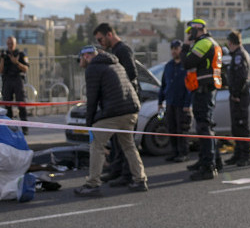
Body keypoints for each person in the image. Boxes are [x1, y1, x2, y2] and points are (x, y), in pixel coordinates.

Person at [74, 46, 147, 195]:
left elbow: (92, 98)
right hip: (131, 109)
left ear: (86, 56)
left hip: (115, 112)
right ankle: (140, 179)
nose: (79, 62)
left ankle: (92, 184)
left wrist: (89, 122)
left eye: (79, 59)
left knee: (97, 145)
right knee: (128, 145)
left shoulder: (93, 68)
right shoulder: (115, 63)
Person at [93, 23, 139, 185]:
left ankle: (127, 175)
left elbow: (132, 73)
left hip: (126, 103)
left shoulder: (123, 50)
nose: (100, 43)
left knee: (126, 142)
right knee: (118, 142)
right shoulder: (114, 51)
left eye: (100, 39)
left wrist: (117, 85)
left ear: (109, 35)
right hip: (118, 104)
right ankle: (116, 171)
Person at [182, 19, 223, 181]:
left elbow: (187, 62)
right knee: (206, 126)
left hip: (204, 90)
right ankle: (213, 161)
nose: (188, 35)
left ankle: (208, 167)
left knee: (204, 127)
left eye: (190, 32)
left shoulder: (204, 43)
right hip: (206, 89)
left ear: (197, 29)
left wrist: (186, 46)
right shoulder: (209, 42)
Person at [158, 39, 194, 162]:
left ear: (181, 50)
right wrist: (160, 102)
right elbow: (164, 85)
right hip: (170, 102)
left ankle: (183, 153)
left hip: (182, 104)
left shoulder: (186, 65)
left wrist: (187, 104)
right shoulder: (168, 66)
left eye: (176, 49)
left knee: (182, 129)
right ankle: (174, 152)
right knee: (171, 128)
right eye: (172, 49)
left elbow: (190, 87)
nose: (174, 51)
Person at [223, 31, 250, 167]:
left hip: (240, 97)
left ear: (231, 42)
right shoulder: (237, 55)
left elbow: (242, 78)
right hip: (237, 96)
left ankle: (245, 156)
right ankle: (238, 154)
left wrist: (235, 94)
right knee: (236, 127)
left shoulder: (239, 55)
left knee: (241, 127)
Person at [0, 36, 30, 133]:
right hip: (7, 80)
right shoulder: (3, 55)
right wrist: (2, 59)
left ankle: (25, 128)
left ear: (15, 44)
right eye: (8, 44)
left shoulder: (21, 54)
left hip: (18, 79)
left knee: (21, 104)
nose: (10, 45)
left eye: (12, 43)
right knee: (7, 104)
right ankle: (9, 127)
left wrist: (16, 62)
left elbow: (26, 69)